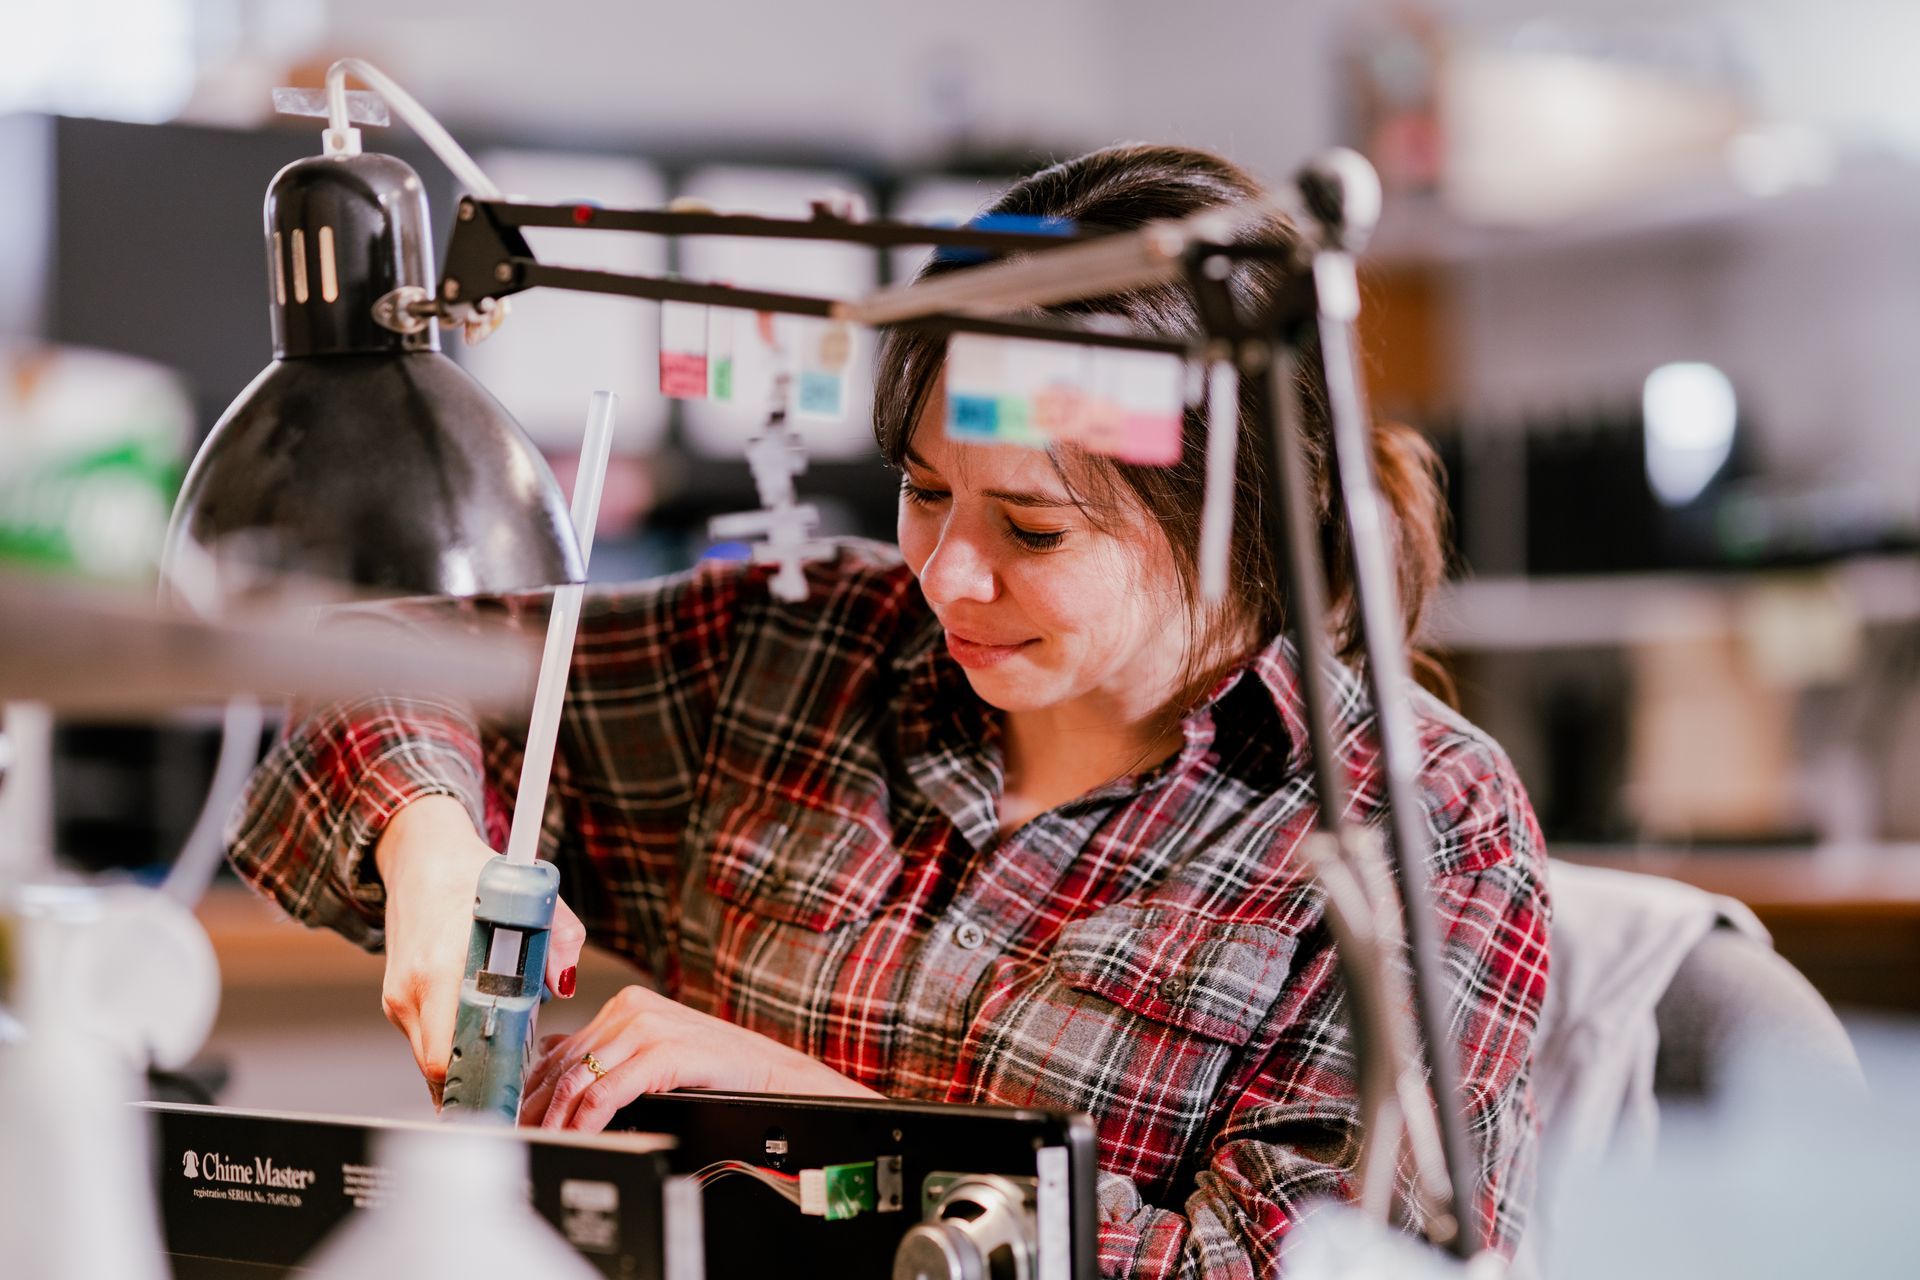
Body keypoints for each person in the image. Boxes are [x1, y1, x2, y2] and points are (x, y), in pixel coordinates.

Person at [228, 143, 1549, 1275]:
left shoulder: (1422, 830)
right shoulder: (789, 650)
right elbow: (375, 661)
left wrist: (835, 1130)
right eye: (924, 493)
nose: (947, 578)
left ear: (1230, 520)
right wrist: (431, 842)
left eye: (1033, 529)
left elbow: (1305, 1268)